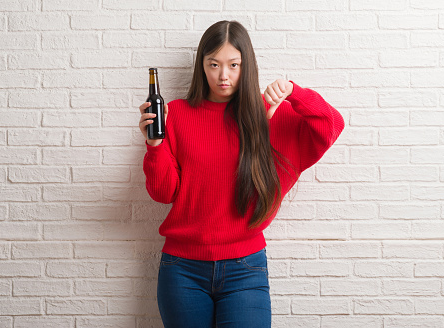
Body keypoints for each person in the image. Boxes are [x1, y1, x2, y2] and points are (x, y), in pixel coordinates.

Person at [139, 20, 344, 328]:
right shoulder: (177, 114)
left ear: (246, 66)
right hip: (182, 270)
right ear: (202, 67)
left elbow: (330, 126)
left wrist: (294, 92)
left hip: (245, 270)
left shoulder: (268, 113)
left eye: (234, 65)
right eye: (214, 65)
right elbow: (163, 192)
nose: (224, 75)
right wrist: (155, 145)